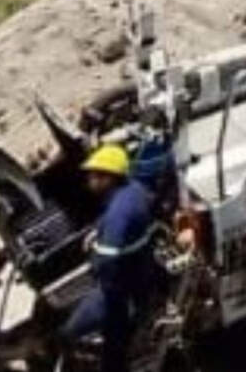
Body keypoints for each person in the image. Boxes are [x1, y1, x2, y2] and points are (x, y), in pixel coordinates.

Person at [61, 145, 157, 372]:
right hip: (140, 271)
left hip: (118, 290)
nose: (88, 181)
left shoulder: (118, 214)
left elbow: (106, 261)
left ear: (109, 178)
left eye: (94, 176)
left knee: (68, 333)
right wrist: (97, 229)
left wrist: (94, 261)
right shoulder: (133, 190)